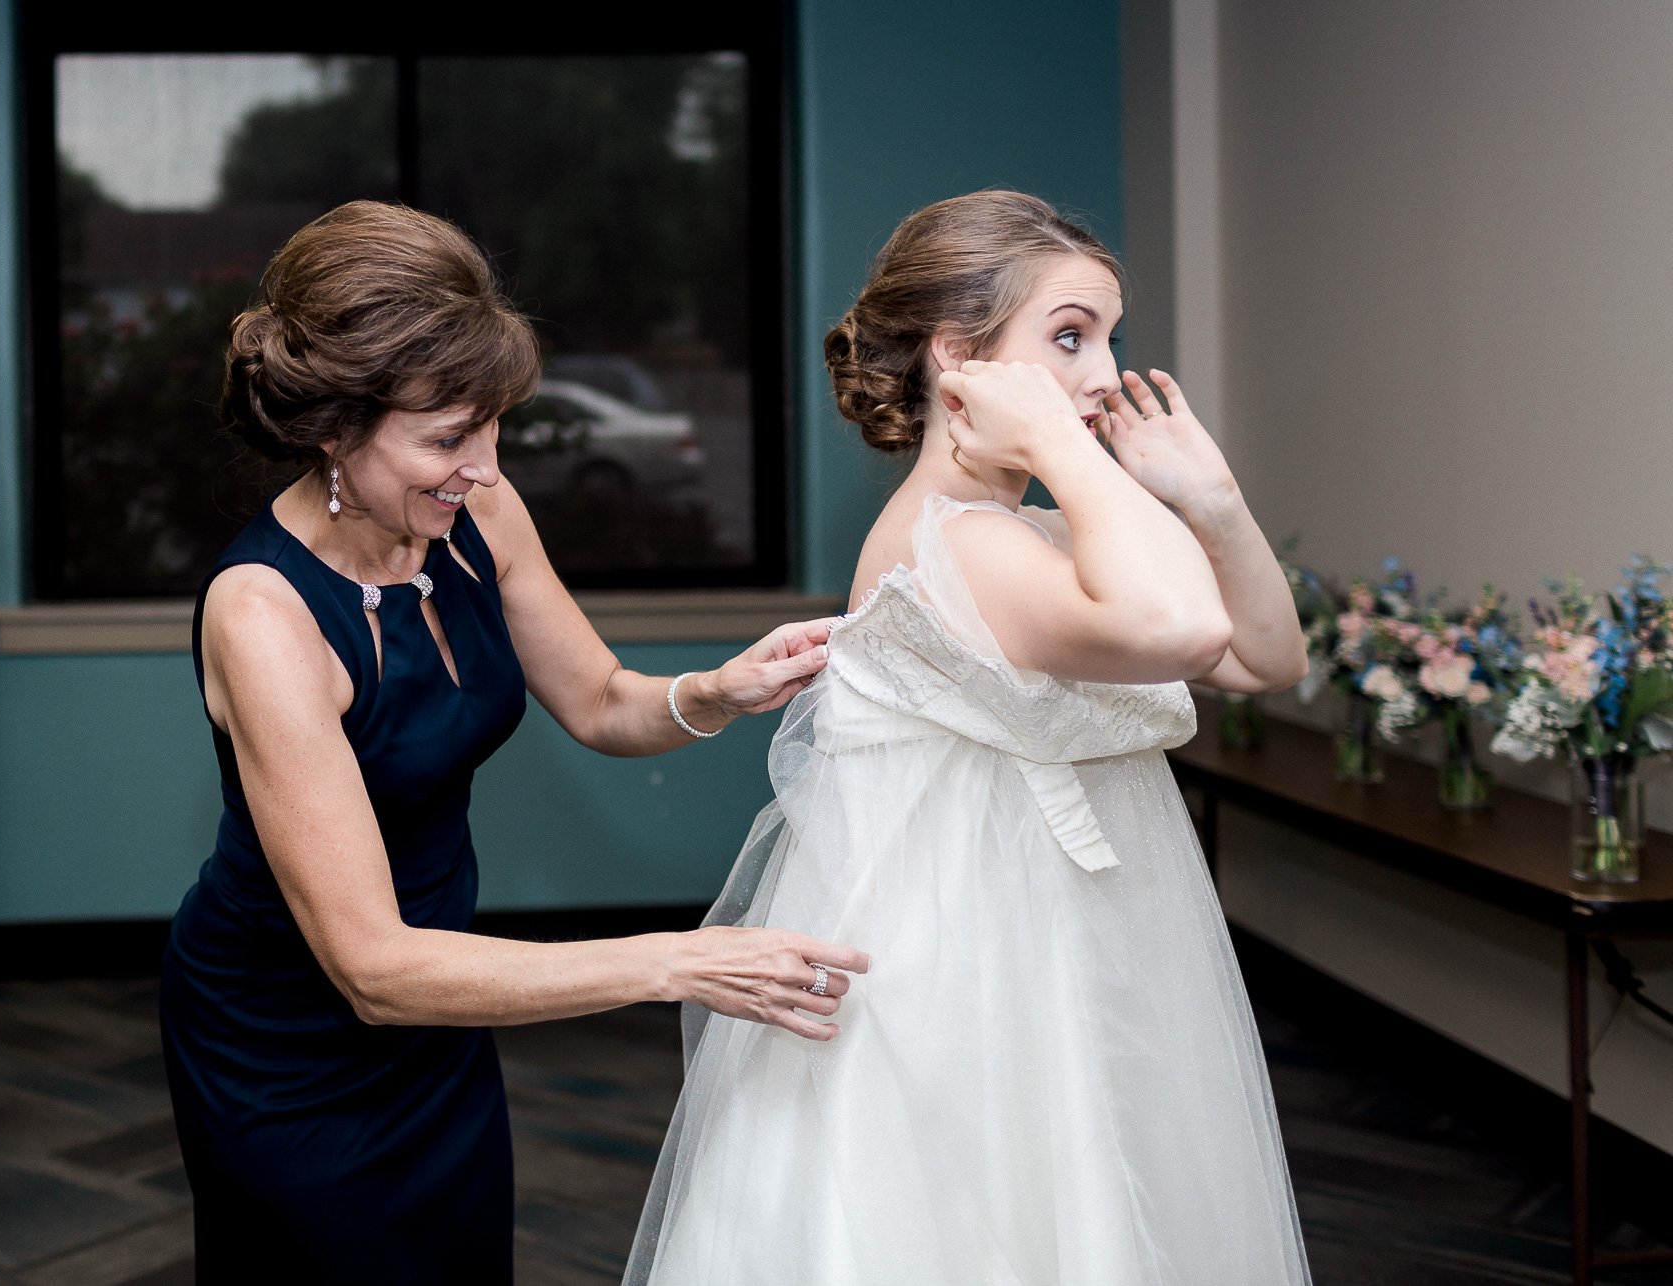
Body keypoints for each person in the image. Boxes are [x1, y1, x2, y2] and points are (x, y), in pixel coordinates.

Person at [158, 201, 869, 1285]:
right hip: (287, 1038)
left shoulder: (477, 513)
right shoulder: (264, 614)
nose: (483, 466)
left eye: (494, 427)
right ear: (330, 429)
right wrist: (682, 961)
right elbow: (373, 966)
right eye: (447, 437)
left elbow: (600, 700)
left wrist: (719, 690)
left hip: (445, 1003)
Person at [624, 191, 1314, 1285]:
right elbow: (1183, 625)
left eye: (1110, 338)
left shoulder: (1030, 529)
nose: (1102, 374)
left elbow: (1263, 657)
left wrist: (1214, 500)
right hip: (970, 983)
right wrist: (1062, 445)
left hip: (1063, 948)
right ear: (961, 359)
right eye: (1071, 336)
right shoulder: (955, 541)